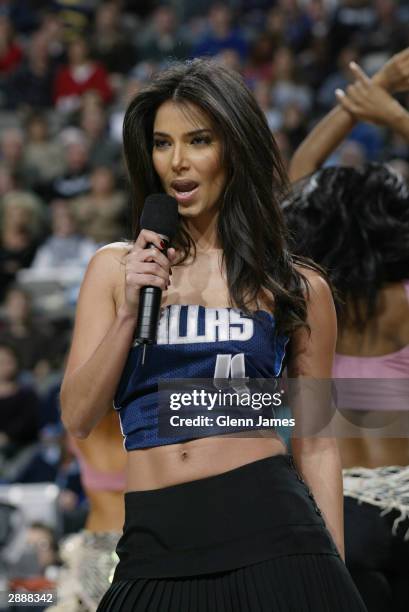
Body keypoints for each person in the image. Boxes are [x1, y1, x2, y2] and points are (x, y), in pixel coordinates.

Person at [61, 58, 366, 610]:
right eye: (161, 143)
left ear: (235, 148)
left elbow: (317, 445)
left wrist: (333, 574)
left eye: (198, 140)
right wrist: (129, 313)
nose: (176, 162)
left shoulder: (295, 284)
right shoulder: (116, 269)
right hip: (151, 550)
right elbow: (78, 417)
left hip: (278, 540)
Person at [284, 50, 409, 612]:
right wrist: (395, 115)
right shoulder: (402, 305)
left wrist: (357, 105)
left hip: (338, 516)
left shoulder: (309, 300)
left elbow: (293, 189)